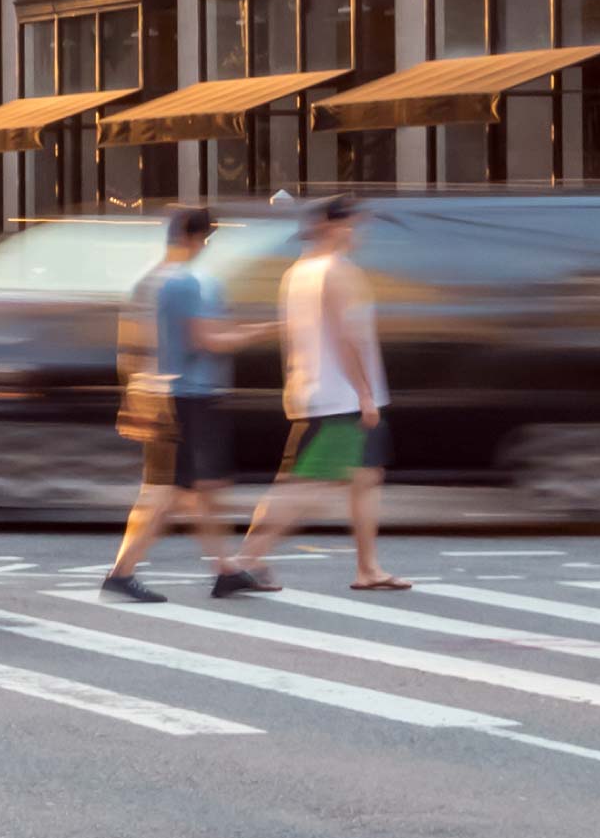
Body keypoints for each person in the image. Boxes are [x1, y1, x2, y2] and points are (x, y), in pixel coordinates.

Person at [102, 206, 276, 603]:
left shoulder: (150, 281)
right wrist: (266, 331)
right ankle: (121, 572)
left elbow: (133, 346)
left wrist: (133, 396)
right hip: (189, 397)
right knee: (167, 493)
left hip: (167, 394)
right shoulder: (185, 284)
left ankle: (225, 568)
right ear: (199, 239)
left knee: (204, 490)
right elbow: (208, 341)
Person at [235, 195, 408, 591]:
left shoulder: (298, 271)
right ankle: (243, 562)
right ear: (334, 227)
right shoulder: (337, 272)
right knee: (307, 485)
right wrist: (365, 394)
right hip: (341, 398)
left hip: (314, 391)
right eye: (355, 223)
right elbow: (346, 337)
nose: (360, 231)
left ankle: (368, 568)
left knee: (366, 476)